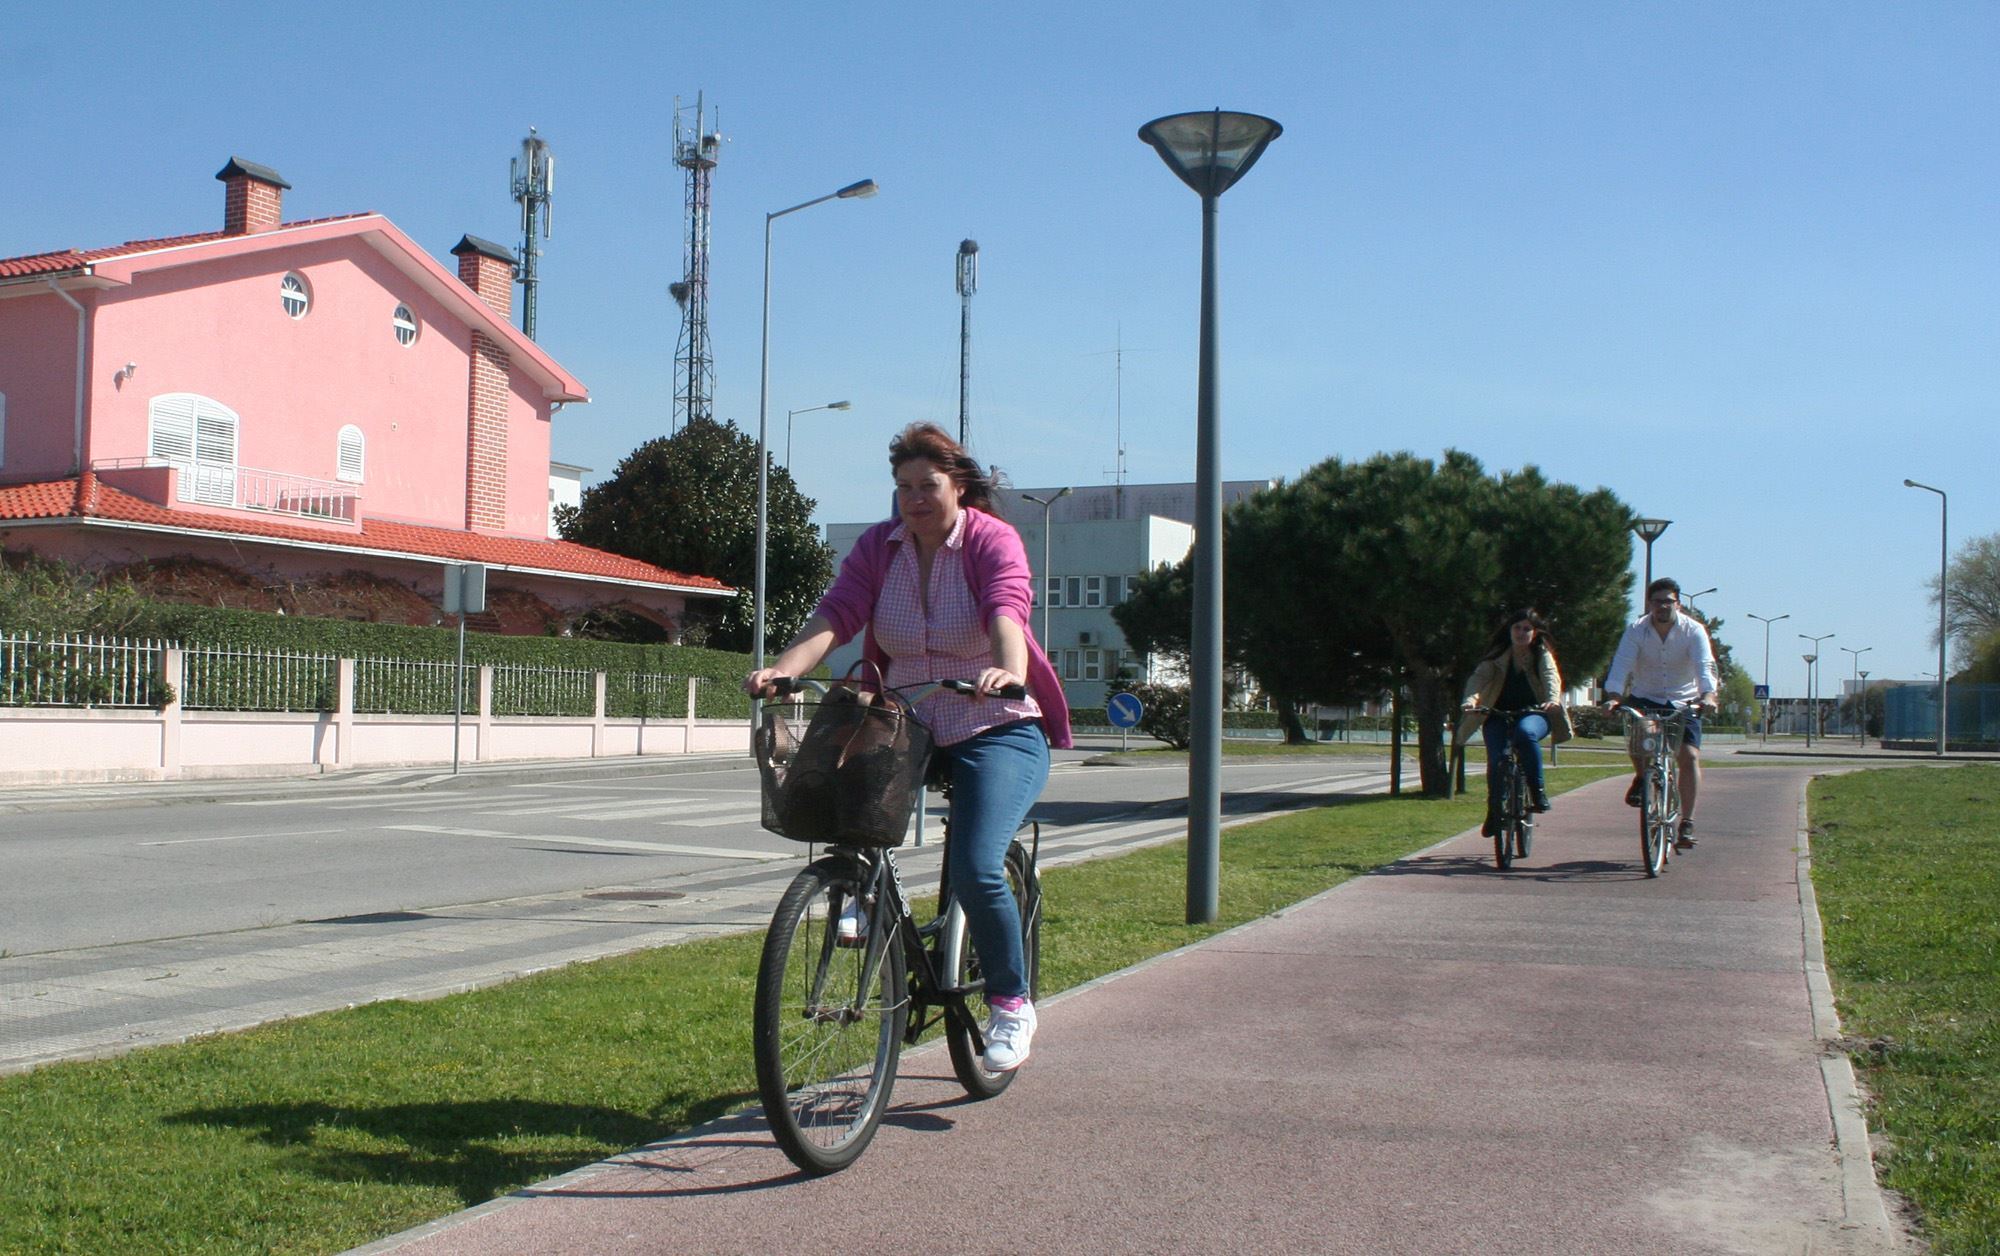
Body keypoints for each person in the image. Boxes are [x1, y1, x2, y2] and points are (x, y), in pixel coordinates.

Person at [745, 421, 1071, 1073]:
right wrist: (784, 667)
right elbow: (836, 614)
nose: (914, 499)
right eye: (903, 487)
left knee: (977, 865)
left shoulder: (988, 540)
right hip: (907, 719)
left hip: (994, 720)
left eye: (928, 485)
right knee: (837, 798)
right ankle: (856, 894)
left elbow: (1008, 608)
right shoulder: (879, 547)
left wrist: (1006, 671)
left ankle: (1011, 1003)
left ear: (958, 487)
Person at [1601, 577, 1719, 850]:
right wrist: (1614, 697)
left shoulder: (1694, 630)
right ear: (1649, 604)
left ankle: (1687, 822)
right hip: (1646, 697)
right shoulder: (1636, 631)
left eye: (1668, 601)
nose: (1663, 607)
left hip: (1684, 700)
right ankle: (1643, 778)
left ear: (1678, 603)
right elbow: (1621, 666)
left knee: (1688, 756)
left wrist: (1708, 696)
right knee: (1640, 734)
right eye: (1657, 602)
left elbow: (1705, 666)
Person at [1455, 609, 1573, 836]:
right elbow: (1478, 679)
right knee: (1497, 760)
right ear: (1509, 631)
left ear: (1535, 633)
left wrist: (1551, 700)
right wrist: (1470, 700)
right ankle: (1494, 811)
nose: (1521, 632)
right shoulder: (1498, 657)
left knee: (1525, 733)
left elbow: (1550, 676)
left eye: (1527, 628)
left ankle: (1537, 792)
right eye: (1517, 628)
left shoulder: (1541, 655)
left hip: (1535, 713)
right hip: (1498, 714)